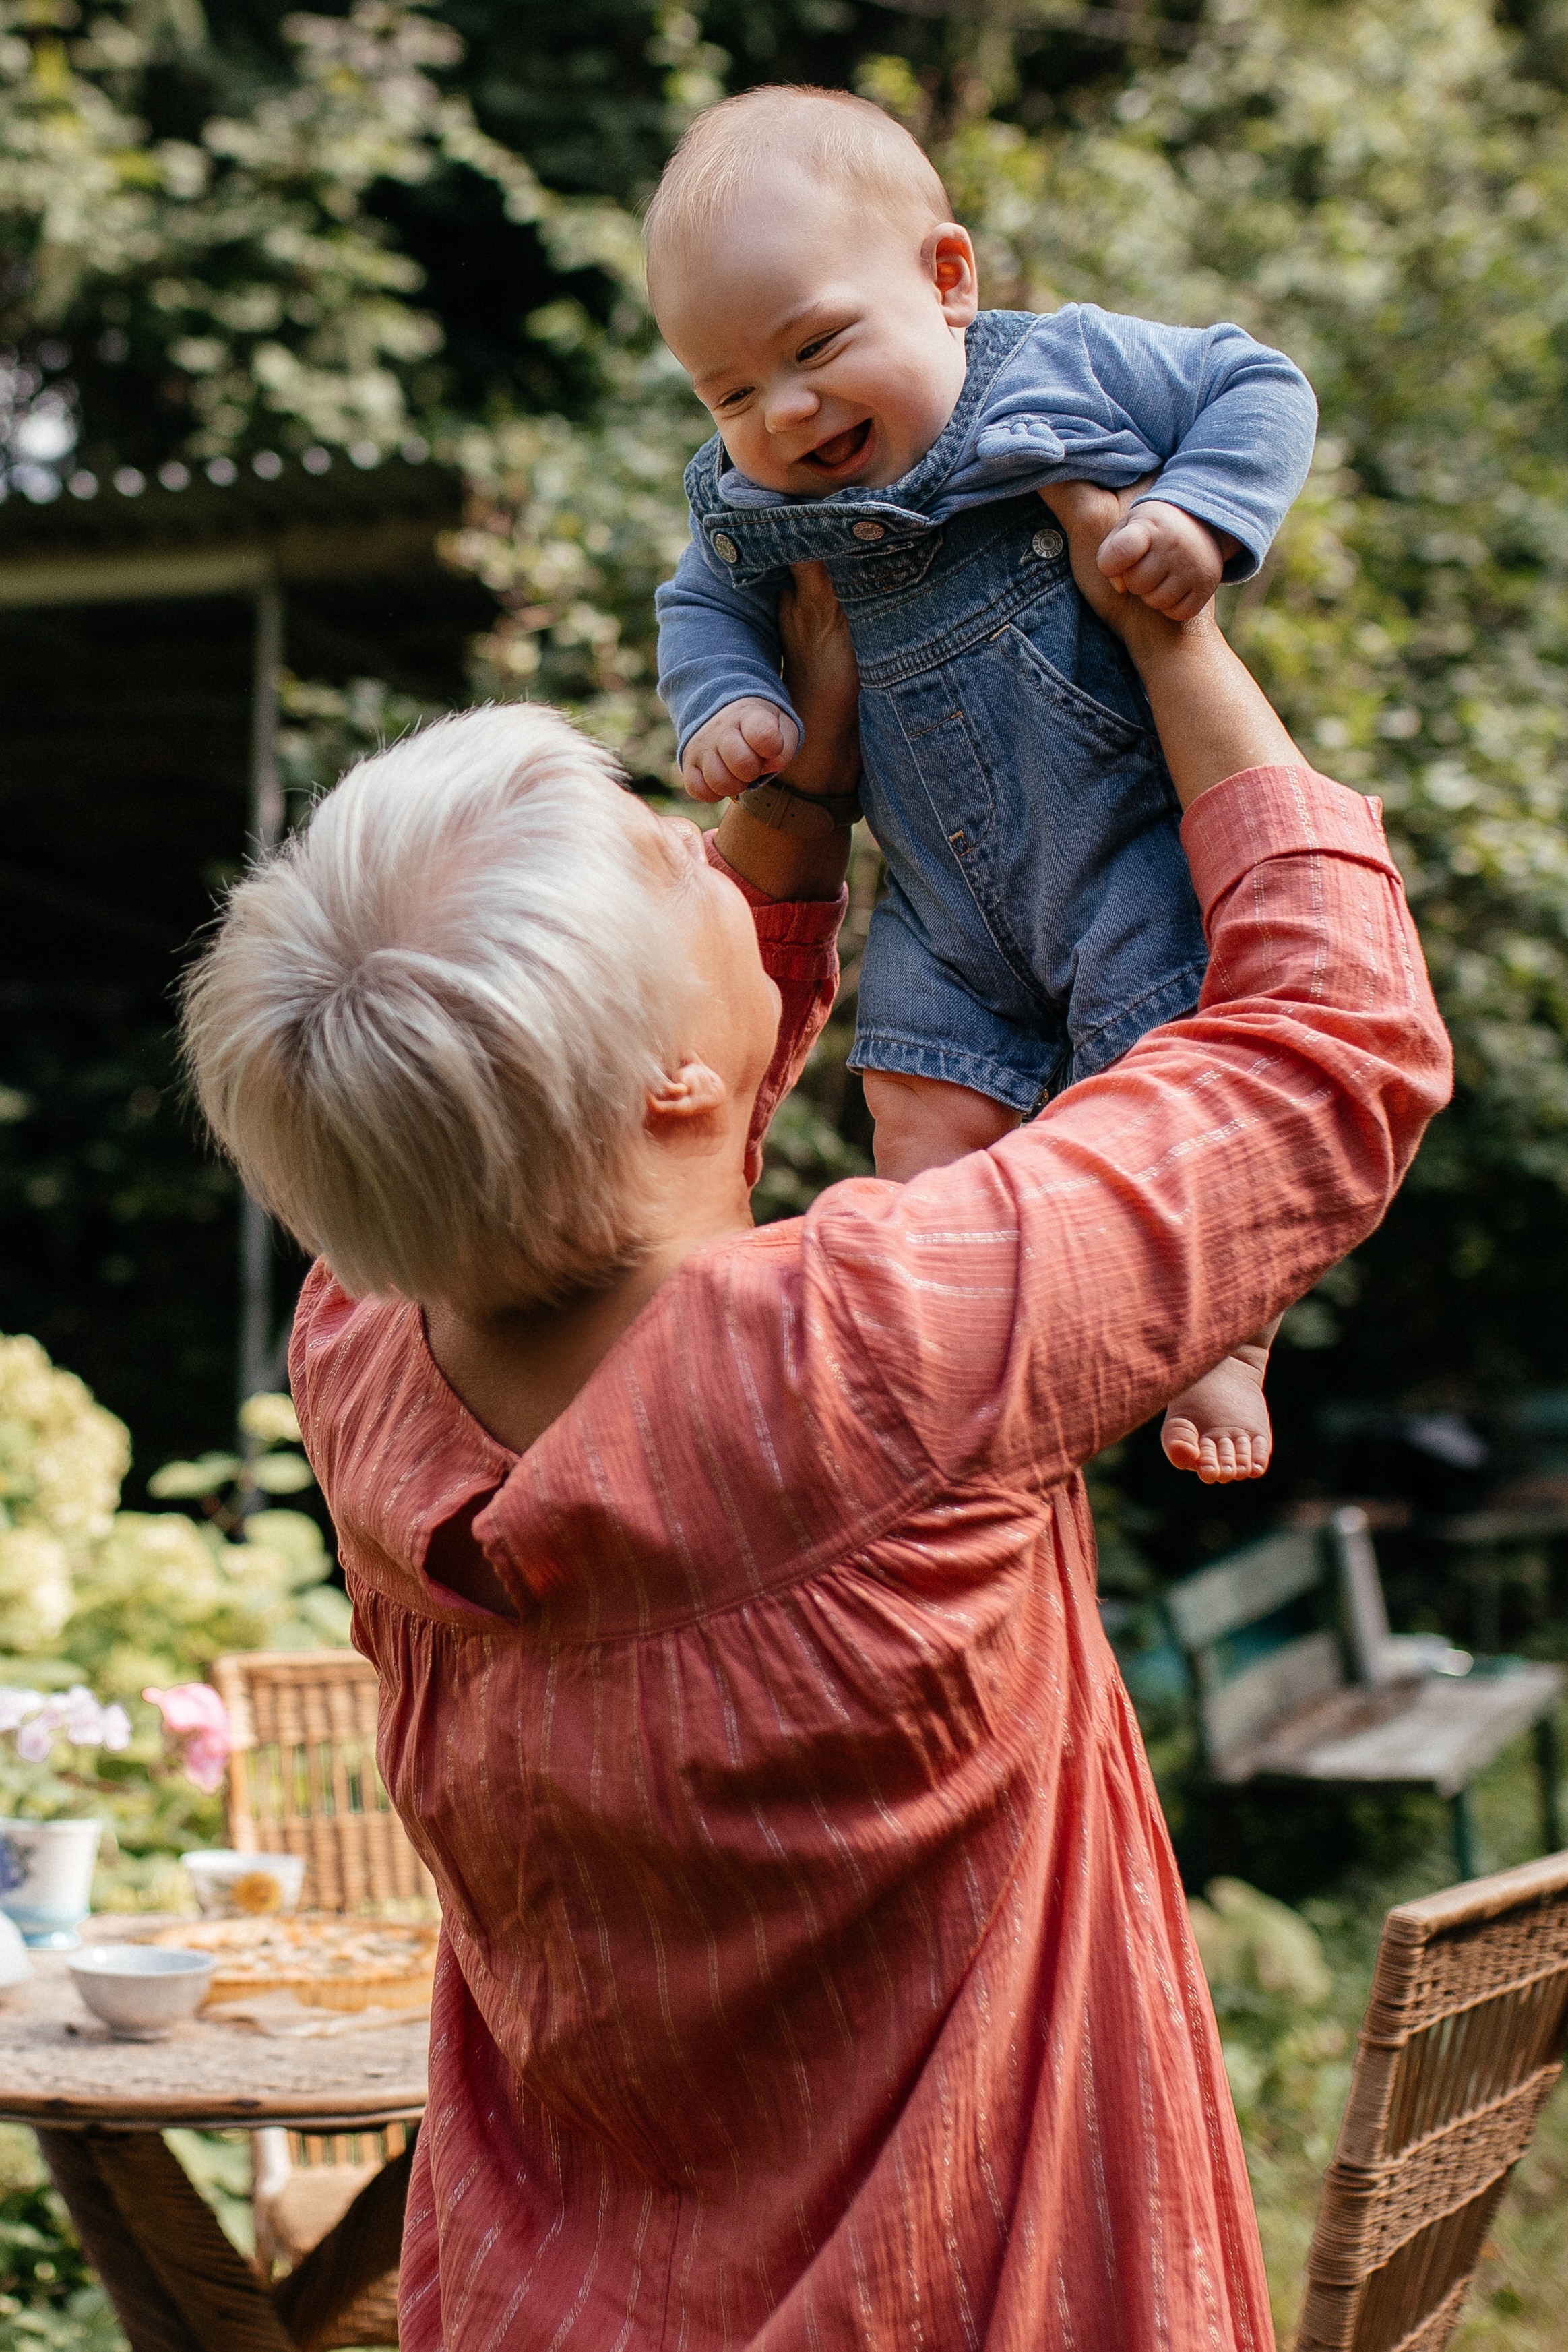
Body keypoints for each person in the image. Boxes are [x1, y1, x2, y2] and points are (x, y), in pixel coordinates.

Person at [180, 483, 1451, 2351]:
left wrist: (789, 813)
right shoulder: (886, 1352)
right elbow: (1330, 1049)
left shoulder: (362, 1364)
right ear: (675, 1081)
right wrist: (1181, 649)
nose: (709, 852)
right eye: (670, 860)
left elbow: (603, 1162)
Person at [649, 84, 1320, 1483]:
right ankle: (948, 1339)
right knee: (917, 1101)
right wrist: (729, 700)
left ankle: (1232, 1324)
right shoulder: (749, 501)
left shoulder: (1056, 372)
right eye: (729, 392)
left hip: (1120, 846)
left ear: (946, 279)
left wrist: (1199, 515)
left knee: (1176, 1074)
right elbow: (700, 603)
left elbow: (1258, 387)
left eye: (818, 346)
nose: (786, 411)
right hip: (943, 904)